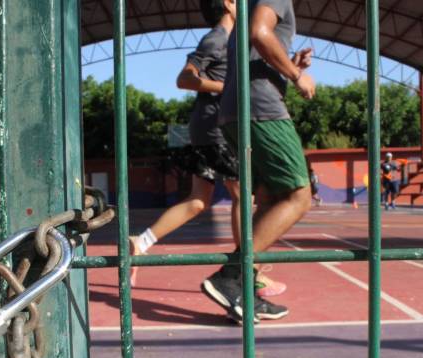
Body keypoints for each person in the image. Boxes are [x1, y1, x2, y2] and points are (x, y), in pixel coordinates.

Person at [129, 0, 286, 298]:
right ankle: (246, 274)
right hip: (216, 128)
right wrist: (226, 86)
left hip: (208, 127)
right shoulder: (217, 38)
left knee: (198, 200)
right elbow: (184, 79)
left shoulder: (232, 40)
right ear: (228, 4)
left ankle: (141, 242)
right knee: (243, 192)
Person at [203, 0, 316, 323]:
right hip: (261, 108)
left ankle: (244, 290)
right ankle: (231, 277)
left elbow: (254, 51)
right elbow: (259, 33)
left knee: (269, 199)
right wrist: (297, 75)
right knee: (298, 196)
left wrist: (291, 61)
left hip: (237, 108)